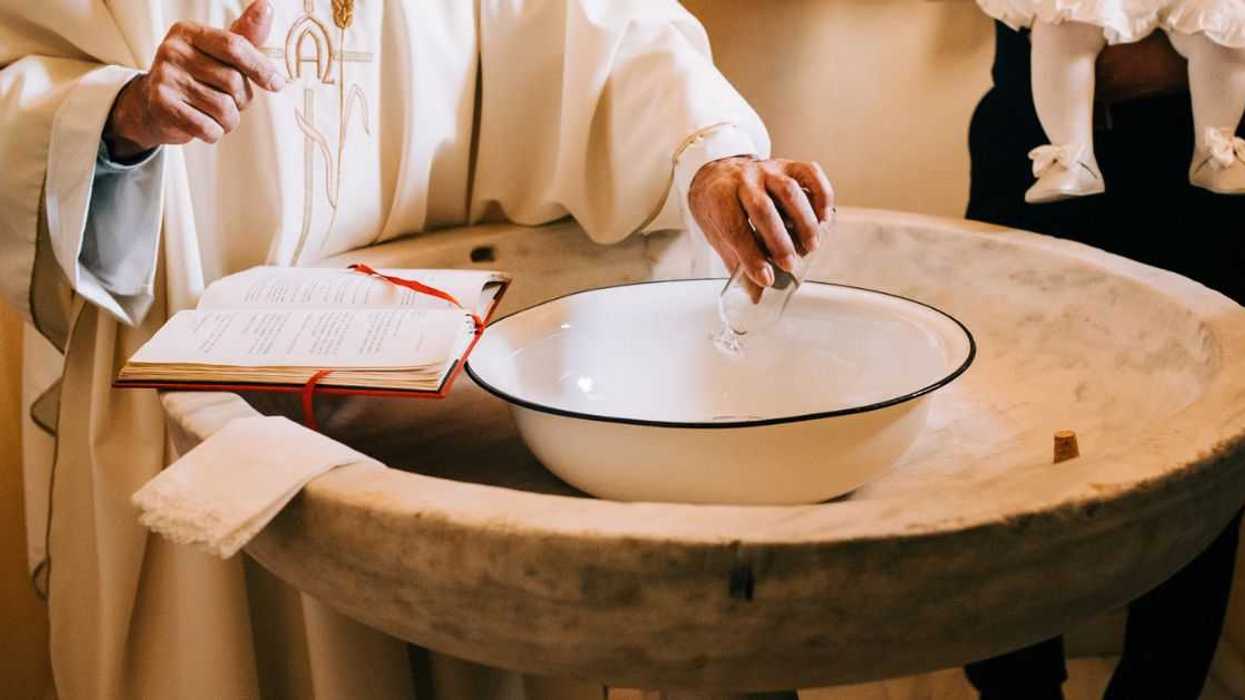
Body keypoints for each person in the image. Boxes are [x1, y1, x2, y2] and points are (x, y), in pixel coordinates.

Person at [0, 1, 834, 697]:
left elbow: (598, 34)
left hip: (436, 383)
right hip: (196, 389)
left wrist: (710, 160)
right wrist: (120, 117)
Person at [962, 19, 1245, 700]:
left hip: (1209, 163)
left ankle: (1160, 684)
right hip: (1029, 142)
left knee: (1206, 427)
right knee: (1007, 417)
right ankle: (1015, 684)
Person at [973, 0, 1245, 201]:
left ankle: (1216, 152)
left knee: (1222, 24)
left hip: (1169, 128)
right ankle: (1072, 158)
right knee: (1061, 22)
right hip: (1017, 125)